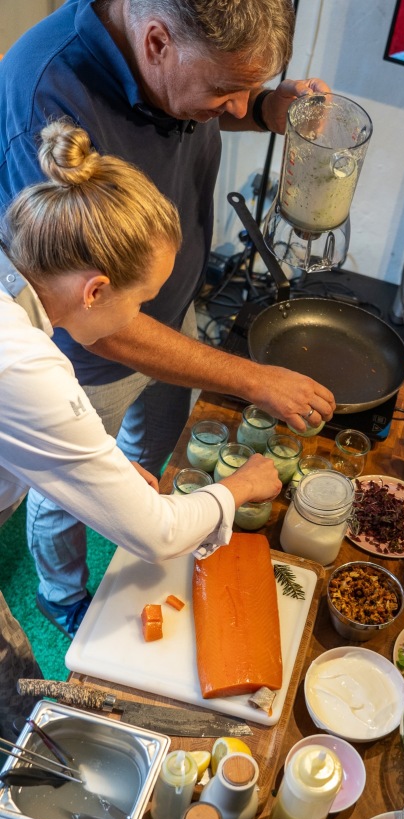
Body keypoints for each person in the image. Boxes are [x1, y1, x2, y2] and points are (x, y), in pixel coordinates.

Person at [0, 0, 335, 637]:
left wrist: (264, 107)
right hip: (87, 363)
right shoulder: (42, 96)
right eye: (225, 88)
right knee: (58, 500)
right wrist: (237, 483)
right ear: (157, 42)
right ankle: (61, 598)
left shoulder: (45, 299)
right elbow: (156, 532)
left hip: (72, 352)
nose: (237, 105)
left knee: (109, 468)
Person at [0, 118, 282, 738]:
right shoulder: (25, 366)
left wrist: (94, 465)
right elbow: (157, 533)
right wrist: (240, 487)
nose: (144, 314)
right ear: (96, 291)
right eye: (142, 301)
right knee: (18, 705)